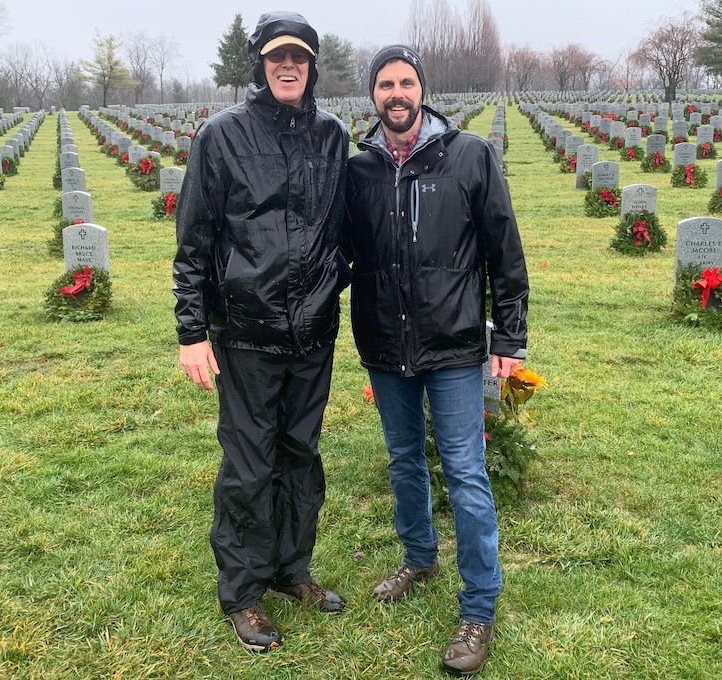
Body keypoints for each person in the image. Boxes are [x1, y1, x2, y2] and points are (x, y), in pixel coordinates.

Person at [345, 45, 529, 677]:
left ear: (422, 90)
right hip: (385, 345)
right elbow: (338, 256)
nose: (396, 93)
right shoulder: (360, 170)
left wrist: (508, 338)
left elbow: (504, 250)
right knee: (402, 461)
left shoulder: (469, 156)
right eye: (386, 84)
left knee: (465, 472)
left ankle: (478, 606)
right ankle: (418, 557)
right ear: (373, 96)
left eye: (407, 82)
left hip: (453, 345)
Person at [172, 11, 350, 654]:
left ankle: (290, 568)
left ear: (311, 67)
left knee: (301, 455)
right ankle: (243, 590)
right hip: (246, 334)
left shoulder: (332, 136)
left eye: (299, 58)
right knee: (249, 465)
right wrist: (193, 332)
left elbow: (344, 229)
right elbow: (194, 243)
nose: (288, 67)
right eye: (277, 57)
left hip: (313, 332)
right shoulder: (220, 137)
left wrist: (334, 283)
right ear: (259, 64)